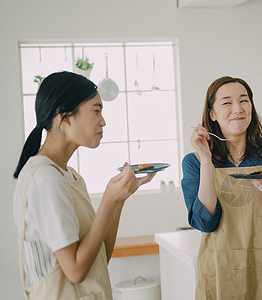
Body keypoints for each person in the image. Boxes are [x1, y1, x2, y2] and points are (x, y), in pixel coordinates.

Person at [13, 71, 155, 299]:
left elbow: (99, 258)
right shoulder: (45, 178)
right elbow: (76, 271)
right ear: (65, 116)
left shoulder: (70, 176)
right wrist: (108, 200)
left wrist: (118, 200)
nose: (103, 121)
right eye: (96, 110)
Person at [181, 76, 262, 299]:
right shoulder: (195, 162)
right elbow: (205, 222)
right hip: (220, 271)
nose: (237, 108)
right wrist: (207, 160)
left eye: (244, 100)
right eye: (227, 102)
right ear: (212, 114)